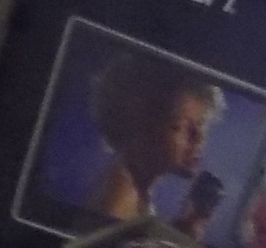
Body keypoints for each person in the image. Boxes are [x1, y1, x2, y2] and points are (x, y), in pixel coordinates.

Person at [92, 64, 224, 225]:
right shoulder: (121, 201)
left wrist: (189, 226)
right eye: (180, 126)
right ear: (139, 127)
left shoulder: (136, 193)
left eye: (201, 125)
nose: (199, 138)